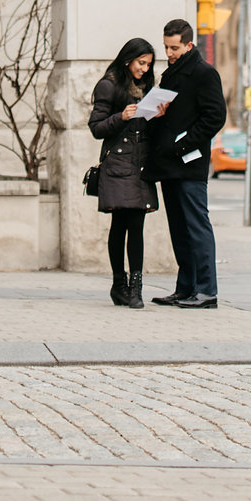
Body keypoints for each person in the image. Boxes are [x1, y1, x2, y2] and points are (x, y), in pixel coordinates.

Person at [147, 18, 225, 308]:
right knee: (179, 229)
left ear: (189, 44)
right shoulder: (170, 74)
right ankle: (185, 288)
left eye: (175, 47)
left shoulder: (204, 73)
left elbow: (215, 117)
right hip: (169, 163)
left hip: (189, 164)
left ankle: (207, 291)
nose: (169, 53)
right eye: (166, 47)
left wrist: (183, 144)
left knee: (196, 226)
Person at [88, 38, 160, 309]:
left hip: (140, 165)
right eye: (141, 63)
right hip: (118, 165)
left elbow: (149, 132)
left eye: (148, 64)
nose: (144, 68)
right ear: (128, 59)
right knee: (120, 225)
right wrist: (122, 117)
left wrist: (159, 116)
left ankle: (136, 287)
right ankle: (120, 284)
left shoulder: (147, 88)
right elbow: (96, 128)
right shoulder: (108, 85)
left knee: (137, 226)